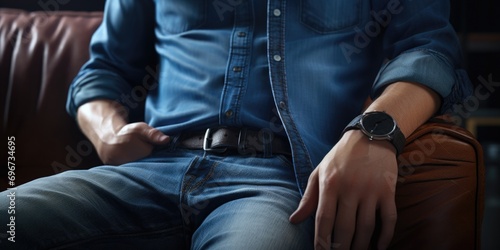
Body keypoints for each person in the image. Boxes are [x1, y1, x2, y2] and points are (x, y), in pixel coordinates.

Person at [0, 0, 471, 249]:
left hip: (278, 187)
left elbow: (430, 50)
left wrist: (373, 132)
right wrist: (106, 132)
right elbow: (102, 70)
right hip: (147, 170)